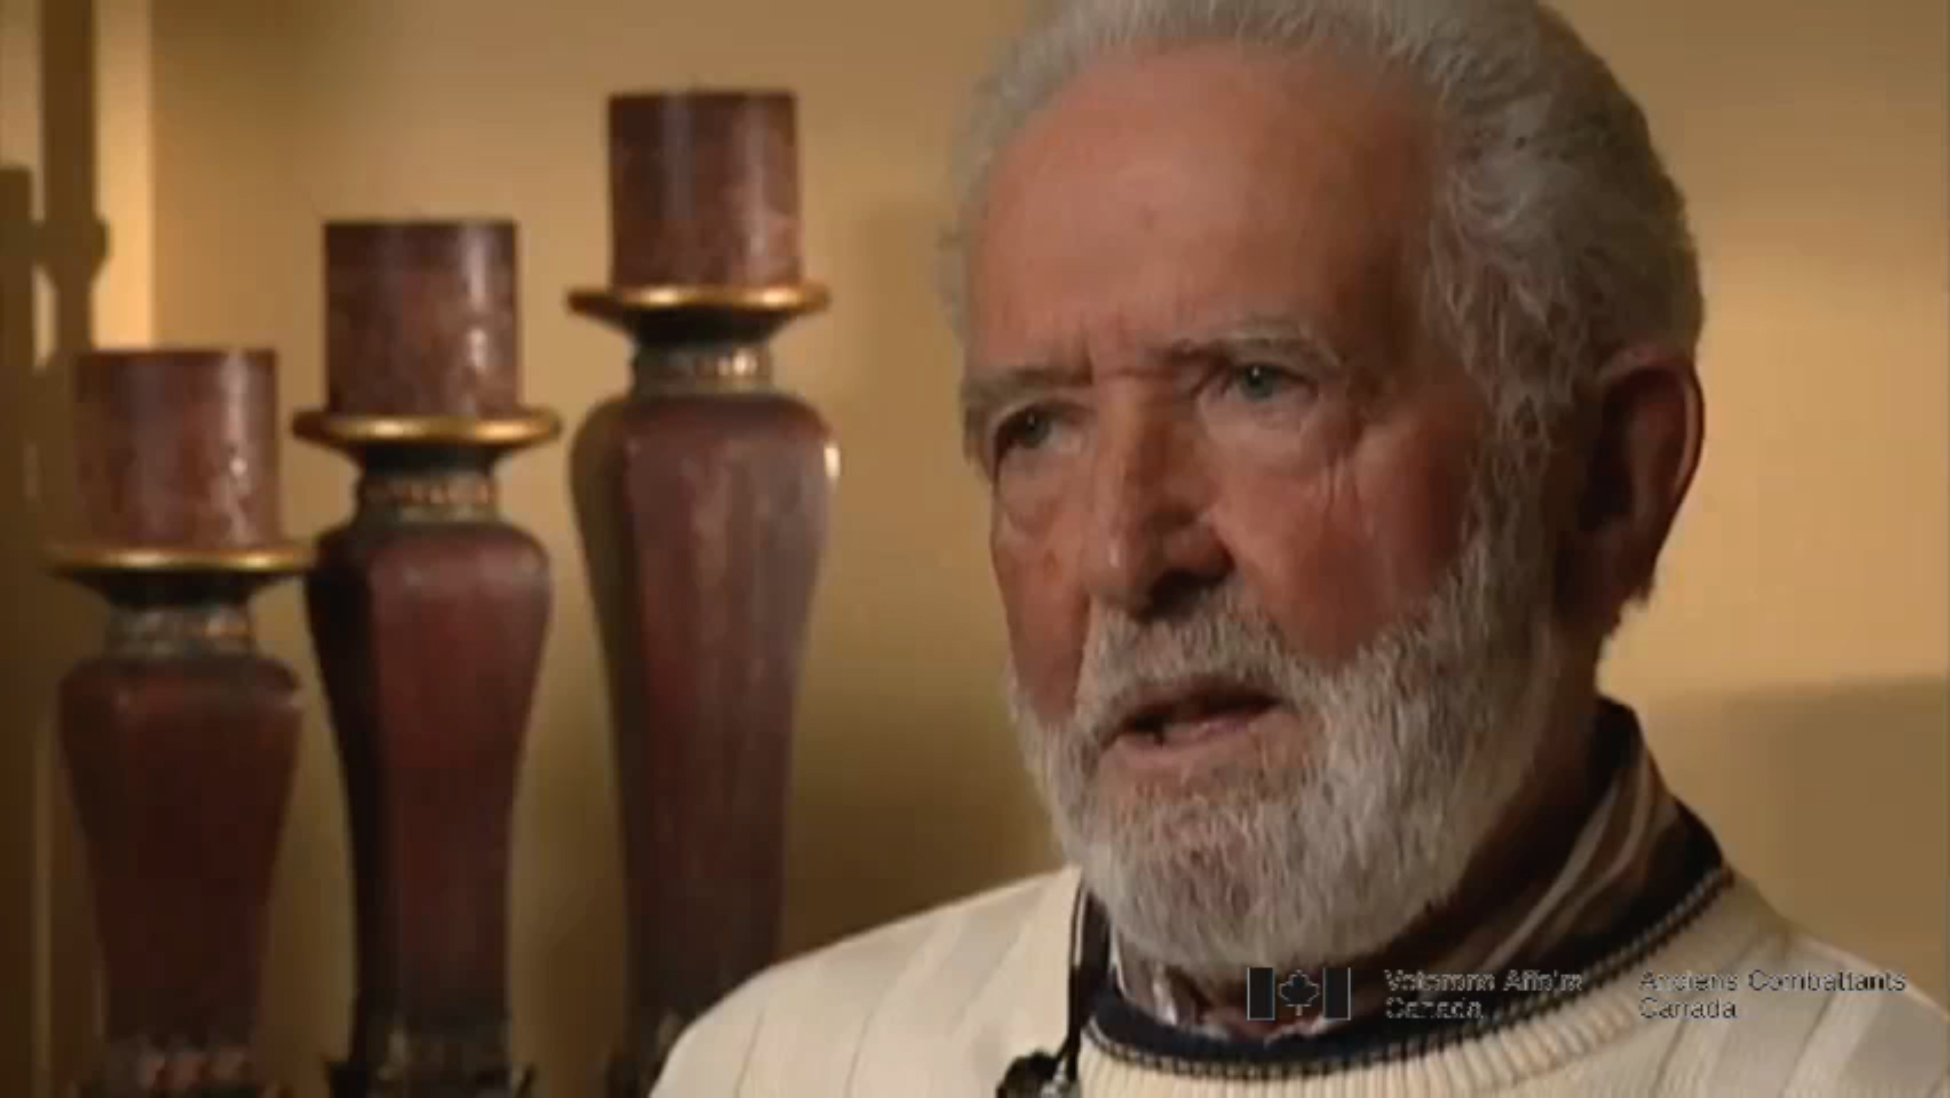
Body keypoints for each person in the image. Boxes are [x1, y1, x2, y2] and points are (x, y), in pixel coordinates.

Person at [654, 0, 1949, 1094]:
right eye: (1037, 428)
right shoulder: (777, 1068)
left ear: (1608, 478)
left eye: (1260, 384)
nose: (1122, 557)